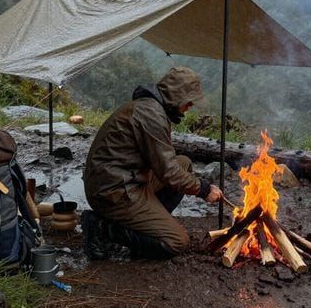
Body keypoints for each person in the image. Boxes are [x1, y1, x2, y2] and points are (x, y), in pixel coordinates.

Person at [82, 66, 227, 259]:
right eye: (189, 102)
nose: (190, 106)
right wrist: (204, 189)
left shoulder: (152, 107)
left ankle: (147, 228)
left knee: (183, 163)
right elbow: (169, 173)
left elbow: (167, 165)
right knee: (177, 242)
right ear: (177, 97)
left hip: (126, 178)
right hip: (113, 191)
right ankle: (102, 228)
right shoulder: (151, 115)